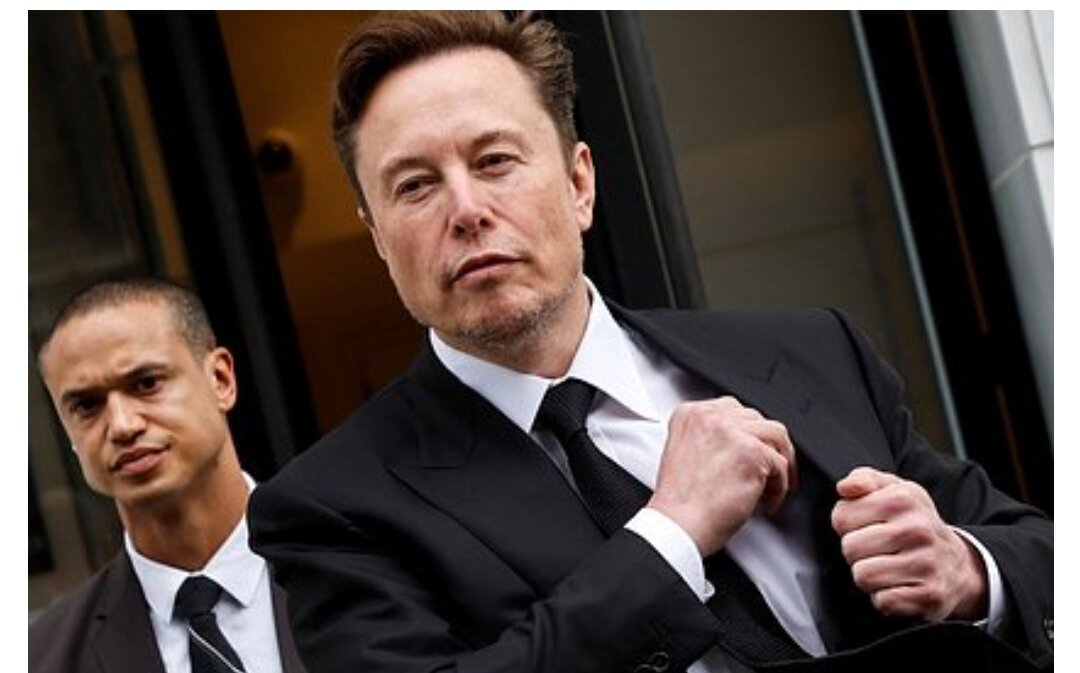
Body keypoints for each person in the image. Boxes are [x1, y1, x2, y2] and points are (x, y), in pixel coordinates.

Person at [247, 11, 1052, 673]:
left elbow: (1044, 553)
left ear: (580, 182)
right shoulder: (330, 507)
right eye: (416, 185)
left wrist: (968, 570)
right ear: (378, 237)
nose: (466, 210)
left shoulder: (813, 349)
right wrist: (670, 532)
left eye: (495, 160)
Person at [31, 279, 306, 673]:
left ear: (221, 380)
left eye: (146, 384)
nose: (122, 425)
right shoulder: (44, 658)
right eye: (87, 406)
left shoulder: (362, 559)